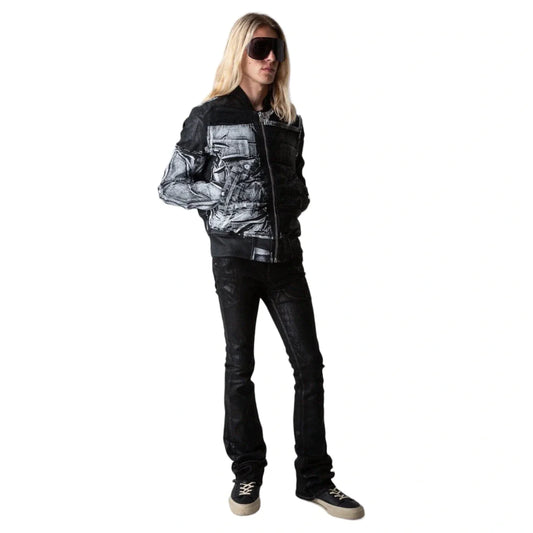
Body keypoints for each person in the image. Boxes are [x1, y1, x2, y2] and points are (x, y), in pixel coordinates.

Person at [158, 12, 364, 520]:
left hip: (286, 259)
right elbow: (171, 185)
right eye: (259, 48)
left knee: (309, 365)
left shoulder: (287, 120)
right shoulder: (209, 116)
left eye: (277, 49)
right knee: (240, 365)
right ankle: (247, 471)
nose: (270, 58)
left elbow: (298, 183)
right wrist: (224, 197)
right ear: (240, 53)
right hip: (234, 260)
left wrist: (290, 205)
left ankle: (315, 480)